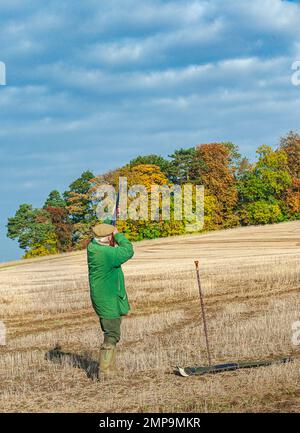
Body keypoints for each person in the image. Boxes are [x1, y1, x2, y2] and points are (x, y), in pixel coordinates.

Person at [87, 223, 134, 377]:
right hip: (107, 300)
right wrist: (119, 235)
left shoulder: (93, 247)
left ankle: (109, 368)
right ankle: (105, 372)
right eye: (111, 236)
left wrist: (112, 224)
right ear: (107, 239)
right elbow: (128, 250)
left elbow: (103, 226)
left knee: (111, 333)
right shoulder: (106, 254)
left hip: (103, 297)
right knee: (112, 334)